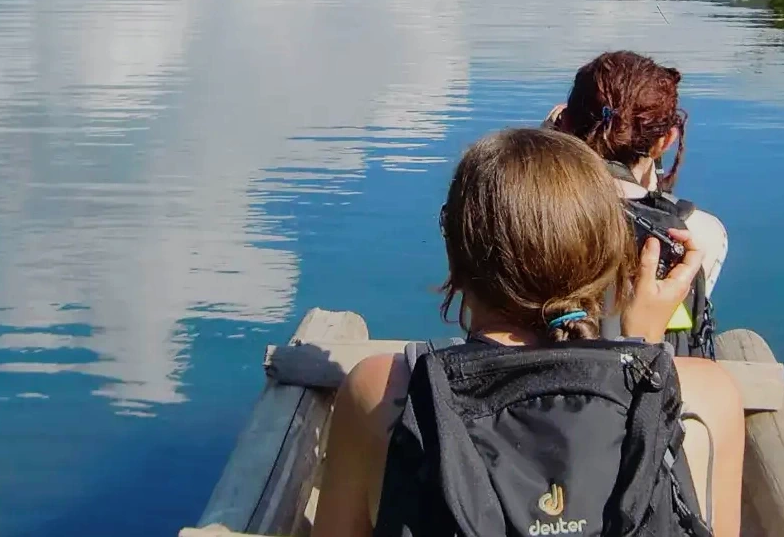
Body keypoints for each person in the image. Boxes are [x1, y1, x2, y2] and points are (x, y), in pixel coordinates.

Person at [314, 129, 744, 537]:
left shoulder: (381, 392)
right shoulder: (707, 394)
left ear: (457, 253)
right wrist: (643, 351)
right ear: (608, 256)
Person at [547, 52, 728, 356]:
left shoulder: (520, 208)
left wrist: (547, 143)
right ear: (665, 141)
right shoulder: (700, 231)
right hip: (649, 375)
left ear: (564, 124)